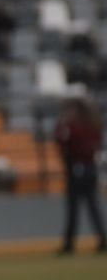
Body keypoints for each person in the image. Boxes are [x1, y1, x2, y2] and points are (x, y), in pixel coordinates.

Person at [53, 95, 105, 255]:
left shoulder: (73, 126)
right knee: (93, 206)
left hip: (77, 169)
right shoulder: (94, 124)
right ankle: (102, 239)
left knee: (75, 208)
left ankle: (70, 243)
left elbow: (61, 139)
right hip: (89, 168)